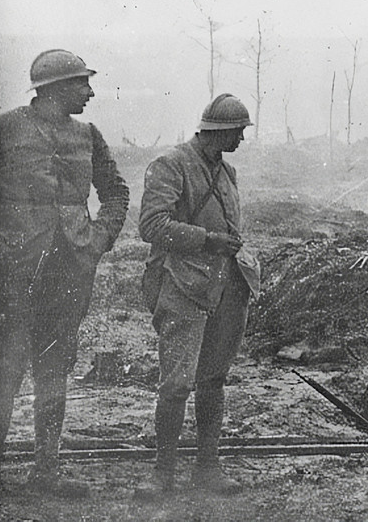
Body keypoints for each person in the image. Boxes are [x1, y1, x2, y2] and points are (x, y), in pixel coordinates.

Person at [0, 50, 130, 501]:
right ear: (54, 88)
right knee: (3, 371)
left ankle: (46, 471)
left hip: (68, 272)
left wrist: (97, 240)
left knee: (54, 370)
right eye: (82, 84)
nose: (90, 93)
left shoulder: (88, 135)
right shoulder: (1, 128)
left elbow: (116, 192)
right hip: (10, 272)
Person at [135, 94, 259, 498]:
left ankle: (208, 468)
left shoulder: (227, 171)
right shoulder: (171, 164)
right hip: (182, 284)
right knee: (176, 384)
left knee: (213, 380)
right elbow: (152, 225)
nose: (242, 139)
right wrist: (208, 240)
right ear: (218, 131)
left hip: (226, 286)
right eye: (238, 131)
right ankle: (162, 474)